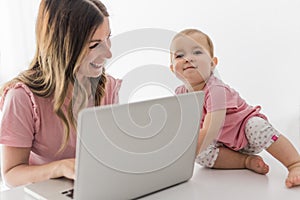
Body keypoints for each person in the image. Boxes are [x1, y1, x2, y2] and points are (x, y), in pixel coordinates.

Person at [0, 0, 121, 187]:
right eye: (95, 44)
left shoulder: (107, 87)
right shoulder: (22, 97)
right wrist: (60, 168)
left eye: (107, 38)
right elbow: (11, 174)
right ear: (63, 47)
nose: (108, 53)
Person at [169, 28, 300, 188]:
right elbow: (183, 126)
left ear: (212, 63)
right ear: (172, 68)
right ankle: (245, 161)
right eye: (180, 55)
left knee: (256, 126)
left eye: (197, 52)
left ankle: (295, 164)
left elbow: (210, 128)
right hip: (223, 144)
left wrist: (184, 154)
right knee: (202, 154)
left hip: (246, 134)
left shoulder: (216, 89)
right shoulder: (180, 93)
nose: (188, 58)